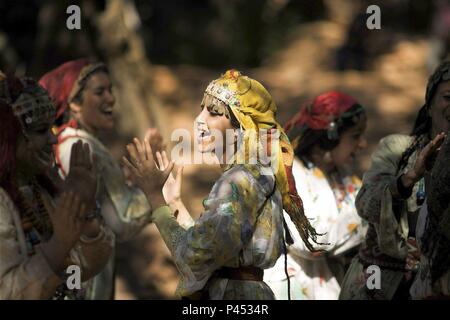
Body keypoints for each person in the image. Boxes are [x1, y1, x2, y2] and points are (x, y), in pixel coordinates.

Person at [123, 70, 321, 299]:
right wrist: (173, 202)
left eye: (214, 113)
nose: (199, 121)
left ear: (240, 129)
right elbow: (211, 246)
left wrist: (155, 199)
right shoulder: (252, 175)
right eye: (201, 110)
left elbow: (195, 257)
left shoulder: (239, 181)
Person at [39, 59, 152, 300]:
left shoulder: (65, 142)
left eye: (110, 90)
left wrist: (129, 182)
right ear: (74, 103)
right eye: (99, 91)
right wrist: (152, 190)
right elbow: (122, 220)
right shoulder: (84, 147)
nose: (111, 98)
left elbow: (99, 204)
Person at [339, 60, 450, 300]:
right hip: (382, 285)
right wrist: (408, 179)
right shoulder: (397, 148)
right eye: (448, 97)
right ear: (430, 106)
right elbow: (365, 203)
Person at [0, 72, 113, 299]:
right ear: (8, 137)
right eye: (41, 131)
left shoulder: (38, 188)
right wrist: (58, 245)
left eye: (51, 129)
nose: (53, 140)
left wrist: (86, 212)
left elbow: (79, 274)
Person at [264, 91, 368, 299]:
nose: (362, 144)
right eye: (355, 136)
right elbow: (310, 242)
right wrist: (366, 210)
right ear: (331, 136)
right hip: (293, 288)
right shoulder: (291, 176)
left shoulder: (344, 177)